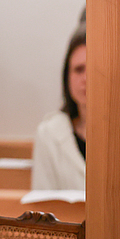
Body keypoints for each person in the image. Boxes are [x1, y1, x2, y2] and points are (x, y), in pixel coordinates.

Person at [31, 25, 87, 191]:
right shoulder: (48, 133)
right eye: (79, 69)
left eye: (95, 69)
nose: (86, 78)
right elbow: (42, 203)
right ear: (67, 77)